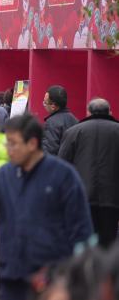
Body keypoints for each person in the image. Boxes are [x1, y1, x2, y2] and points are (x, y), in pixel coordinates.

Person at [0, 114, 93, 300]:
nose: (8, 150)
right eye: (7, 143)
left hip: (50, 278)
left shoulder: (63, 175)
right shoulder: (4, 174)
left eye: (13, 143)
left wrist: (71, 275)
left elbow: (81, 228)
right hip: (9, 274)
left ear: (32, 143)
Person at [59, 98, 119, 247]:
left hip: (82, 196)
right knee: (109, 242)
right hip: (112, 197)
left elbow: (63, 166)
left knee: (84, 241)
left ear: (88, 112)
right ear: (109, 112)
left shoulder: (73, 132)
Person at [42, 85, 78, 155]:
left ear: (53, 106)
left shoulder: (51, 123)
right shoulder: (75, 120)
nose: (44, 105)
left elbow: (50, 151)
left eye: (45, 103)